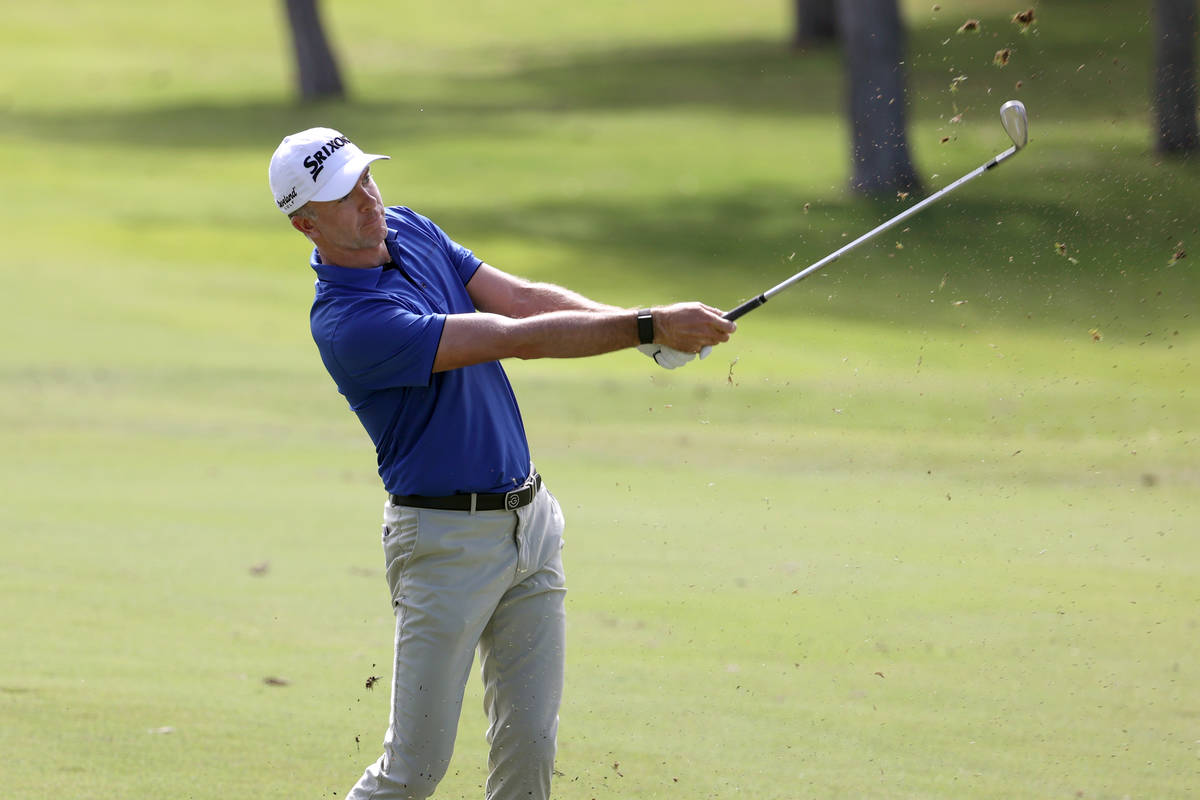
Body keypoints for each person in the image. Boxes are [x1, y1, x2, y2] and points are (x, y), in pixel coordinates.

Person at [268, 126, 735, 800]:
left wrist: (642, 333)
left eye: (366, 176)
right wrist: (647, 325)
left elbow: (521, 299)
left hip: (531, 527)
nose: (368, 198)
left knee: (529, 748)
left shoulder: (409, 229)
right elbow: (516, 338)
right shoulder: (351, 323)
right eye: (344, 194)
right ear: (305, 224)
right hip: (444, 547)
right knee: (413, 772)